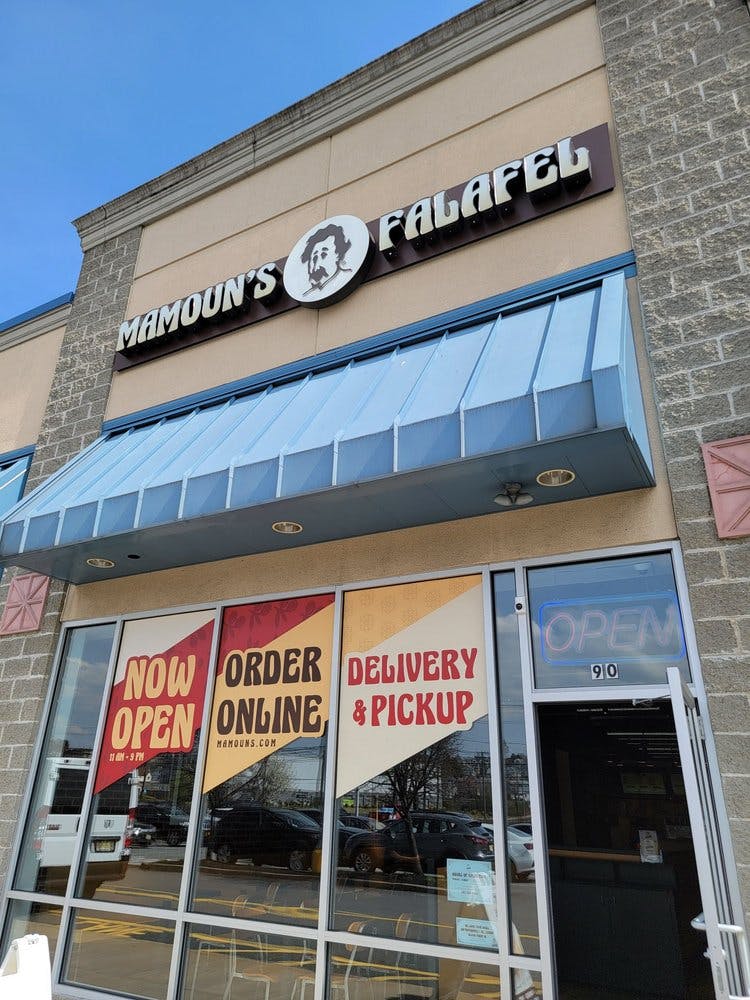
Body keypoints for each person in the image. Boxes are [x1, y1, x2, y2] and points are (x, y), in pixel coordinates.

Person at [300, 222, 352, 295]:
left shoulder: (346, 277)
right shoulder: (306, 294)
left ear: (338, 255)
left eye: (323, 254)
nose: (317, 263)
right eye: (314, 257)